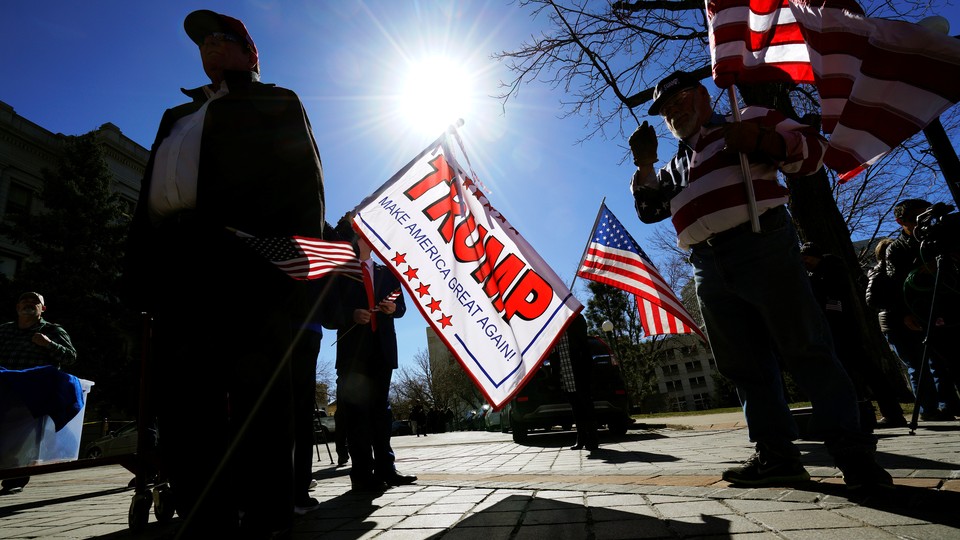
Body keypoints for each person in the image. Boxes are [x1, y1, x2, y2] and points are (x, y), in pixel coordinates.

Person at [627, 70, 891, 489]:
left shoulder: (744, 116)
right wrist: (644, 163)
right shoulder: (676, 163)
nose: (675, 114)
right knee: (743, 364)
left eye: (680, 102)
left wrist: (763, 141)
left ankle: (853, 453)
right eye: (667, 111)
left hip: (760, 242)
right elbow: (650, 211)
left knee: (805, 345)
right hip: (705, 262)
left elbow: (812, 153)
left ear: (703, 96)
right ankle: (776, 455)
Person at [122, 10, 325, 537]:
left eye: (223, 38)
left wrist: (295, 273)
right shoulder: (175, 115)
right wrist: (140, 273)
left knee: (258, 399)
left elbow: (306, 188)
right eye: (204, 40)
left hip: (245, 264)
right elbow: (150, 197)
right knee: (187, 401)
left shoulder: (275, 101)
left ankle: (266, 519)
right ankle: (203, 517)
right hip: (177, 264)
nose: (210, 44)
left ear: (250, 54)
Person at [321, 216, 416, 491]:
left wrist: (391, 309)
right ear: (356, 239)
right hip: (353, 355)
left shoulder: (387, 272)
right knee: (357, 416)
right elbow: (328, 314)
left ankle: (388, 469)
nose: (370, 239)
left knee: (381, 414)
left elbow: (401, 307)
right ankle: (362, 474)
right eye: (364, 234)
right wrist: (351, 314)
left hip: (382, 351)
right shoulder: (340, 273)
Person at [800, 242, 907, 429]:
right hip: (840, 328)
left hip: (842, 329)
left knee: (862, 371)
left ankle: (875, 413)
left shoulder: (830, 273)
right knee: (864, 371)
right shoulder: (822, 273)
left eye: (806, 259)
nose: (804, 263)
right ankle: (880, 412)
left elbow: (834, 301)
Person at [882, 199, 960, 420]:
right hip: (922, 309)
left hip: (950, 302)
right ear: (901, 222)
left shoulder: (942, 239)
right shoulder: (897, 248)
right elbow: (894, 283)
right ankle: (947, 405)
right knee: (935, 360)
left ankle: (951, 404)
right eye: (916, 218)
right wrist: (904, 313)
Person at [0, 291, 77, 495]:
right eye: (24, 300)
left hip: (30, 391)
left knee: (20, 434)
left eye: (35, 301)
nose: (29, 303)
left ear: (42, 309)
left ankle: (15, 477)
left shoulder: (52, 330)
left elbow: (70, 357)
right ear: (17, 308)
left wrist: (49, 344)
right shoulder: (4, 330)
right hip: (3, 385)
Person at [553, 313, 598, 451]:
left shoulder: (576, 318)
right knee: (576, 408)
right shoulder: (553, 324)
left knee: (586, 406)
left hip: (579, 369)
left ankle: (593, 439)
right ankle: (581, 438)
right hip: (565, 371)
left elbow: (582, 342)